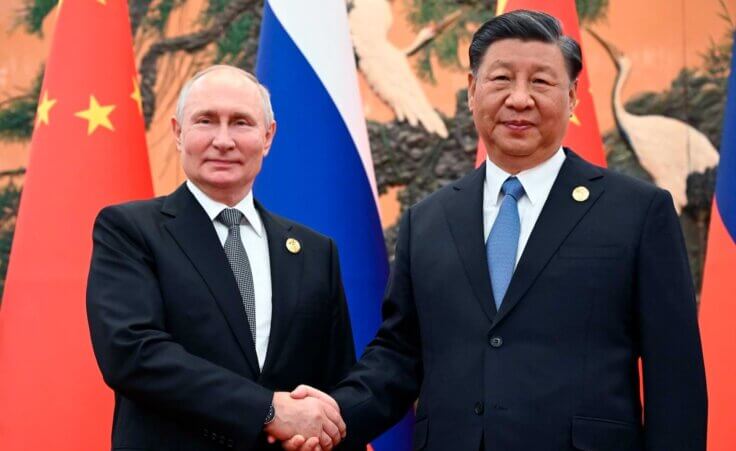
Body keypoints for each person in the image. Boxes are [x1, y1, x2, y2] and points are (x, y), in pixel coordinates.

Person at [287, 10, 707, 451]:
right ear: (472, 91)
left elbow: (674, 377)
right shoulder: (427, 220)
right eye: (501, 79)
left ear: (573, 96)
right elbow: (398, 356)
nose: (520, 99)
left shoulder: (638, 211)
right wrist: (330, 418)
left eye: (541, 82)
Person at [87, 65, 358, 451]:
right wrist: (266, 410)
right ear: (178, 133)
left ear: (268, 137)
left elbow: (333, 387)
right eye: (206, 121)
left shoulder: (315, 252)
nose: (223, 140)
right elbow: (133, 354)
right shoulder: (129, 230)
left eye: (242, 123)